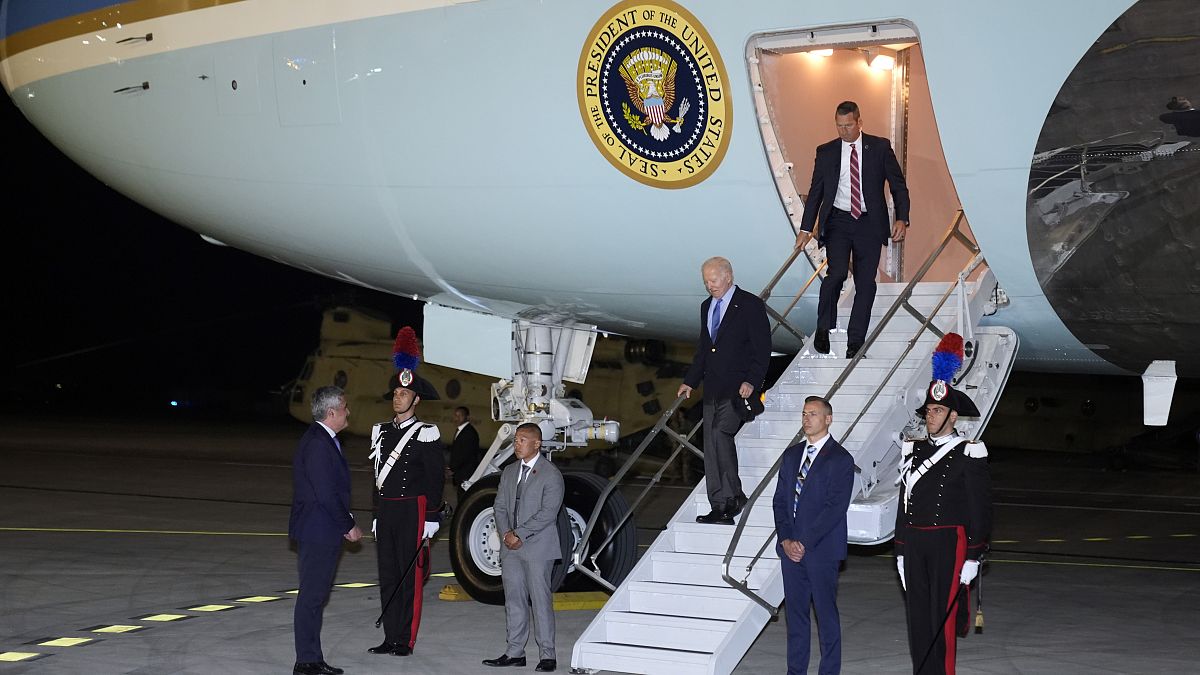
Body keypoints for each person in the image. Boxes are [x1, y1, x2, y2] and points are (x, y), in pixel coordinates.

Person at [894, 333, 992, 675]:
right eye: (929, 411)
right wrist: (900, 550)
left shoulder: (969, 452)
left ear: (953, 416)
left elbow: (980, 509)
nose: (931, 416)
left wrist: (973, 555)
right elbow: (904, 504)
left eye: (937, 411)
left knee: (942, 619)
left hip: (948, 541)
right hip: (915, 541)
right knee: (918, 618)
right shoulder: (913, 449)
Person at [794, 100, 911, 359]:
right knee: (836, 274)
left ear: (859, 122)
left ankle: (855, 342)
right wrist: (805, 228)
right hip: (838, 220)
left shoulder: (879, 148)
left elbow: (898, 185)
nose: (843, 130)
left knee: (865, 283)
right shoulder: (826, 152)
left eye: (848, 125)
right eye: (839, 126)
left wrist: (902, 218)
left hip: (869, 222)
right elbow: (816, 192)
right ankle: (823, 328)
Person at [367, 327, 445, 657]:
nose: (398, 397)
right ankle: (390, 637)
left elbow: (435, 478)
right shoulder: (380, 431)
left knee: (409, 578)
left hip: (413, 509)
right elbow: (376, 477)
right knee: (388, 576)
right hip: (387, 510)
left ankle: (406, 640)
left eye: (404, 393)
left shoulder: (427, 432)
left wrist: (432, 517)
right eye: (396, 393)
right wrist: (375, 514)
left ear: (416, 399)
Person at [677, 256, 771, 525]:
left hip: (738, 388)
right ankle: (718, 504)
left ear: (728, 276)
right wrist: (690, 381)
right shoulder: (706, 306)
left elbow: (762, 348)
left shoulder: (750, 305)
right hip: (712, 387)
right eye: (706, 282)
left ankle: (734, 497)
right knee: (710, 444)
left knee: (720, 434)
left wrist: (752, 381)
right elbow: (704, 349)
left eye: (714, 280)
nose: (710, 286)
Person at [772, 396, 854, 675]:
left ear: (828, 419)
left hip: (821, 551)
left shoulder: (841, 459)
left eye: (813, 414)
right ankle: (795, 671)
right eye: (804, 414)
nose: (807, 419)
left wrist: (803, 542)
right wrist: (786, 539)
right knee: (795, 618)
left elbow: (835, 508)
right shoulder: (792, 455)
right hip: (790, 551)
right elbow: (780, 501)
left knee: (826, 616)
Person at [288, 385, 362, 675]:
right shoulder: (319, 443)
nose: (348, 412)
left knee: (315, 596)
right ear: (331, 413)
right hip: (318, 531)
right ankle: (306, 661)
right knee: (312, 597)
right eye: (344, 408)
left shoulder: (323, 439)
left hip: (321, 529)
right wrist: (349, 525)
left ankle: (312, 658)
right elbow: (326, 494)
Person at [483, 423, 565, 672]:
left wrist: (519, 534)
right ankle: (514, 652)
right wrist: (506, 534)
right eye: (516, 440)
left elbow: (548, 513)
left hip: (537, 548)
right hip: (511, 548)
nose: (516, 444)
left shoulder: (551, 474)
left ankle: (548, 655)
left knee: (540, 602)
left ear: (537, 444)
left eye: (522, 440)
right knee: (514, 600)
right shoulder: (509, 471)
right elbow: (499, 506)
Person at [447, 405, 482, 501]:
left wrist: (452, 468)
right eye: (456, 415)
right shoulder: (461, 430)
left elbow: (465, 454)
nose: (457, 418)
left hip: (466, 473)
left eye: (460, 416)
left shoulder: (469, 433)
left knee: (464, 499)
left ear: (467, 417)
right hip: (461, 473)